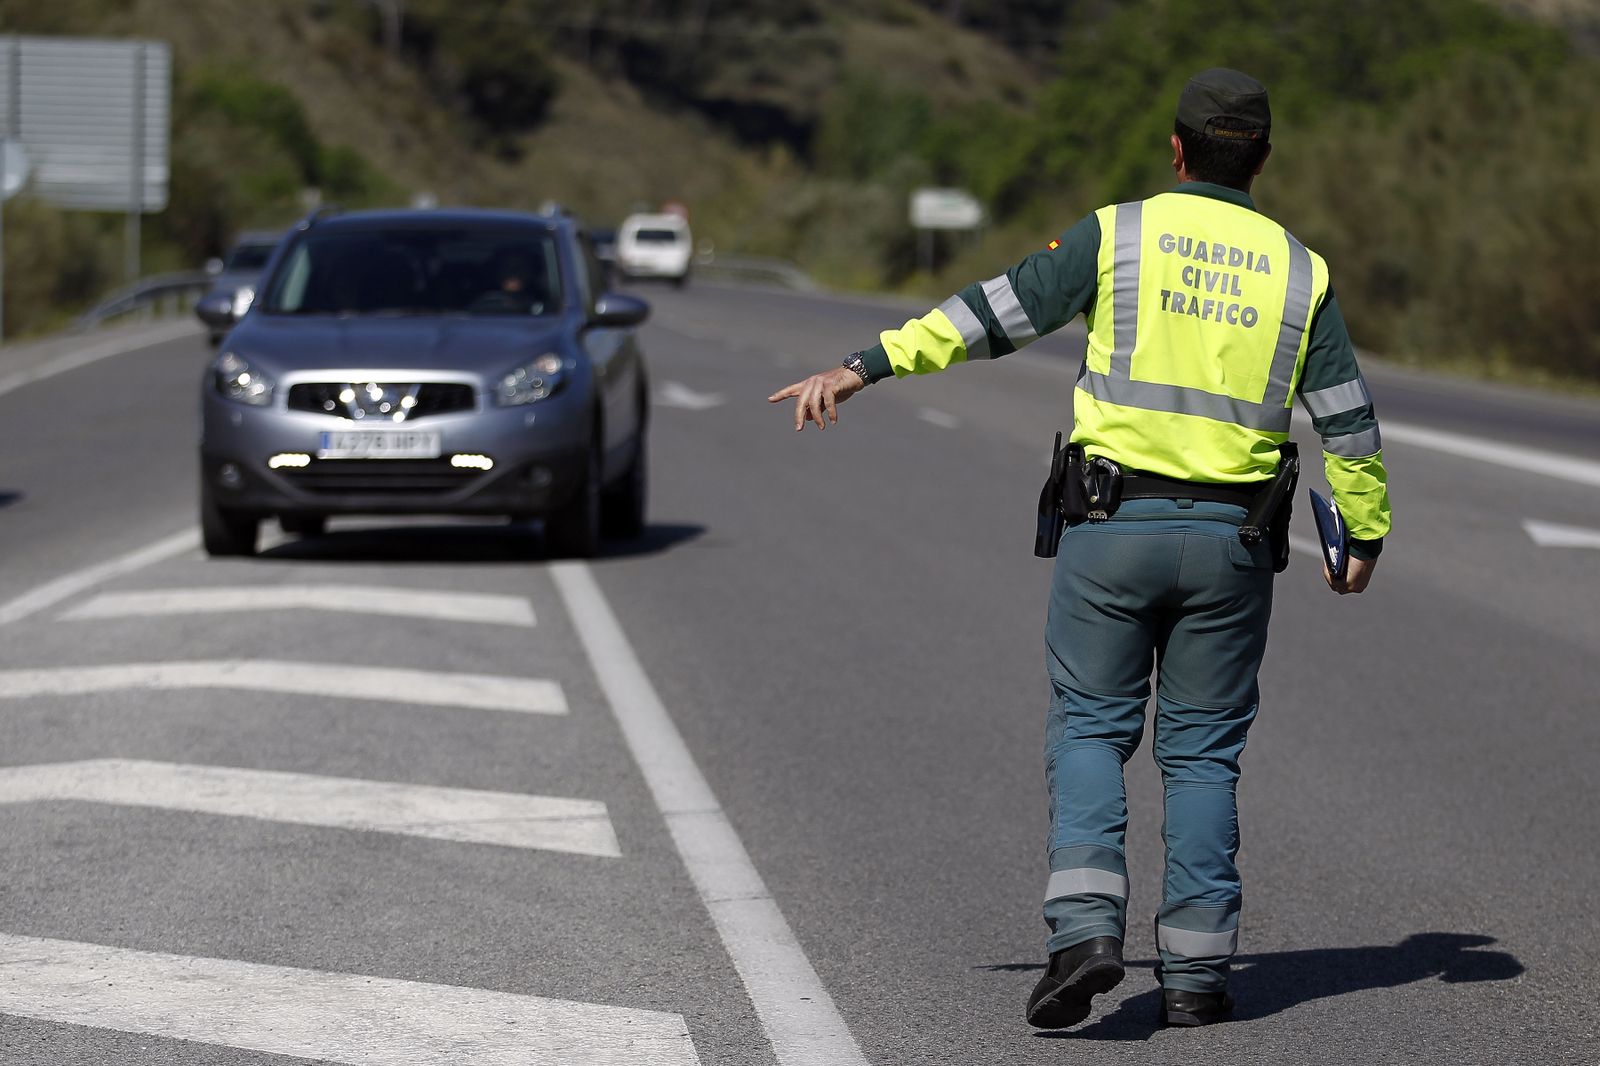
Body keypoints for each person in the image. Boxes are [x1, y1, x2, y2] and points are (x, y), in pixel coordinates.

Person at [768, 68, 1392, 1030]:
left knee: (1094, 730)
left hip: (1114, 533)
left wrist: (864, 365)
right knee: (1202, 757)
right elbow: (1348, 421)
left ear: (1177, 149)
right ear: (1261, 157)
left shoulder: (1120, 234)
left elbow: (996, 313)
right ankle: (1194, 977)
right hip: (1235, 546)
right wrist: (1364, 534)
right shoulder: (1301, 271)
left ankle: (1086, 931)